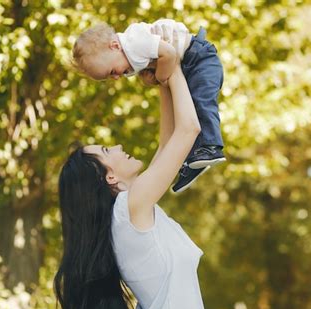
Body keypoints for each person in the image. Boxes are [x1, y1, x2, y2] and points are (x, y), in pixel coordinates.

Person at [54, 61, 206, 309]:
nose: (116, 147)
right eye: (106, 150)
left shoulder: (130, 211)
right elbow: (189, 129)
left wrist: (163, 81)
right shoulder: (129, 209)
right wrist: (172, 62)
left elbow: (167, 141)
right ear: (109, 178)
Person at [72, 19, 225, 193]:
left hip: (199, 57)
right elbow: (155, 69)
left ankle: (211, 147)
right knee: (186, 112)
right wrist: (155, 76)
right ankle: (193, 160)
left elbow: (169, 53)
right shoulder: (127, 56)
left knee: (202, 104)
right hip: (188, 64)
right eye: (110, 77)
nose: (115, 77)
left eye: (112, 72)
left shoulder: (134, 42)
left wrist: (160, 76)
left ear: (114, 46)